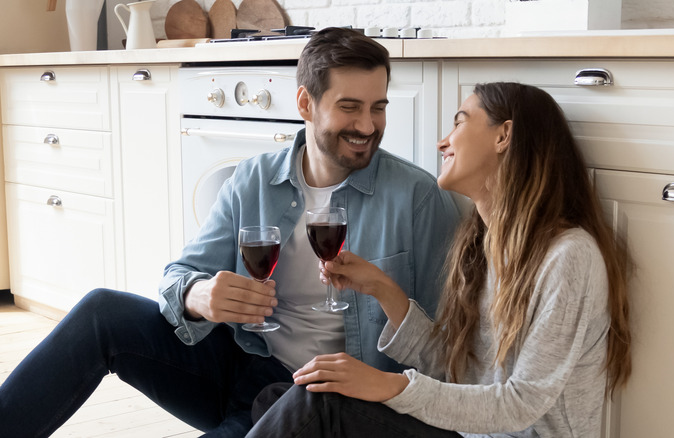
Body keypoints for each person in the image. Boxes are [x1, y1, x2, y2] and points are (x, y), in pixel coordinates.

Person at [0, 27, 461, 437]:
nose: (367, 126)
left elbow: (453, 344)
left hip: (327, 398)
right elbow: (179, 275)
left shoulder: (417, 198)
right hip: (247, 364)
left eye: (378, 107)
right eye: (349, 107)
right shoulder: (253, 180)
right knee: (103, 311)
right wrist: (198, 295)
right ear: (304, 103)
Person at [245, 82, 633, 438]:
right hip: (468, 432)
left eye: (459, 123)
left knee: (318, 404)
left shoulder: (569, 257)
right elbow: (456, 371)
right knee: (280, 396)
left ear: (504, 136)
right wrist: (383, 289)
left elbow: (522, 403)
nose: (442, 142)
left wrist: (389, 386)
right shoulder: (482, 243)